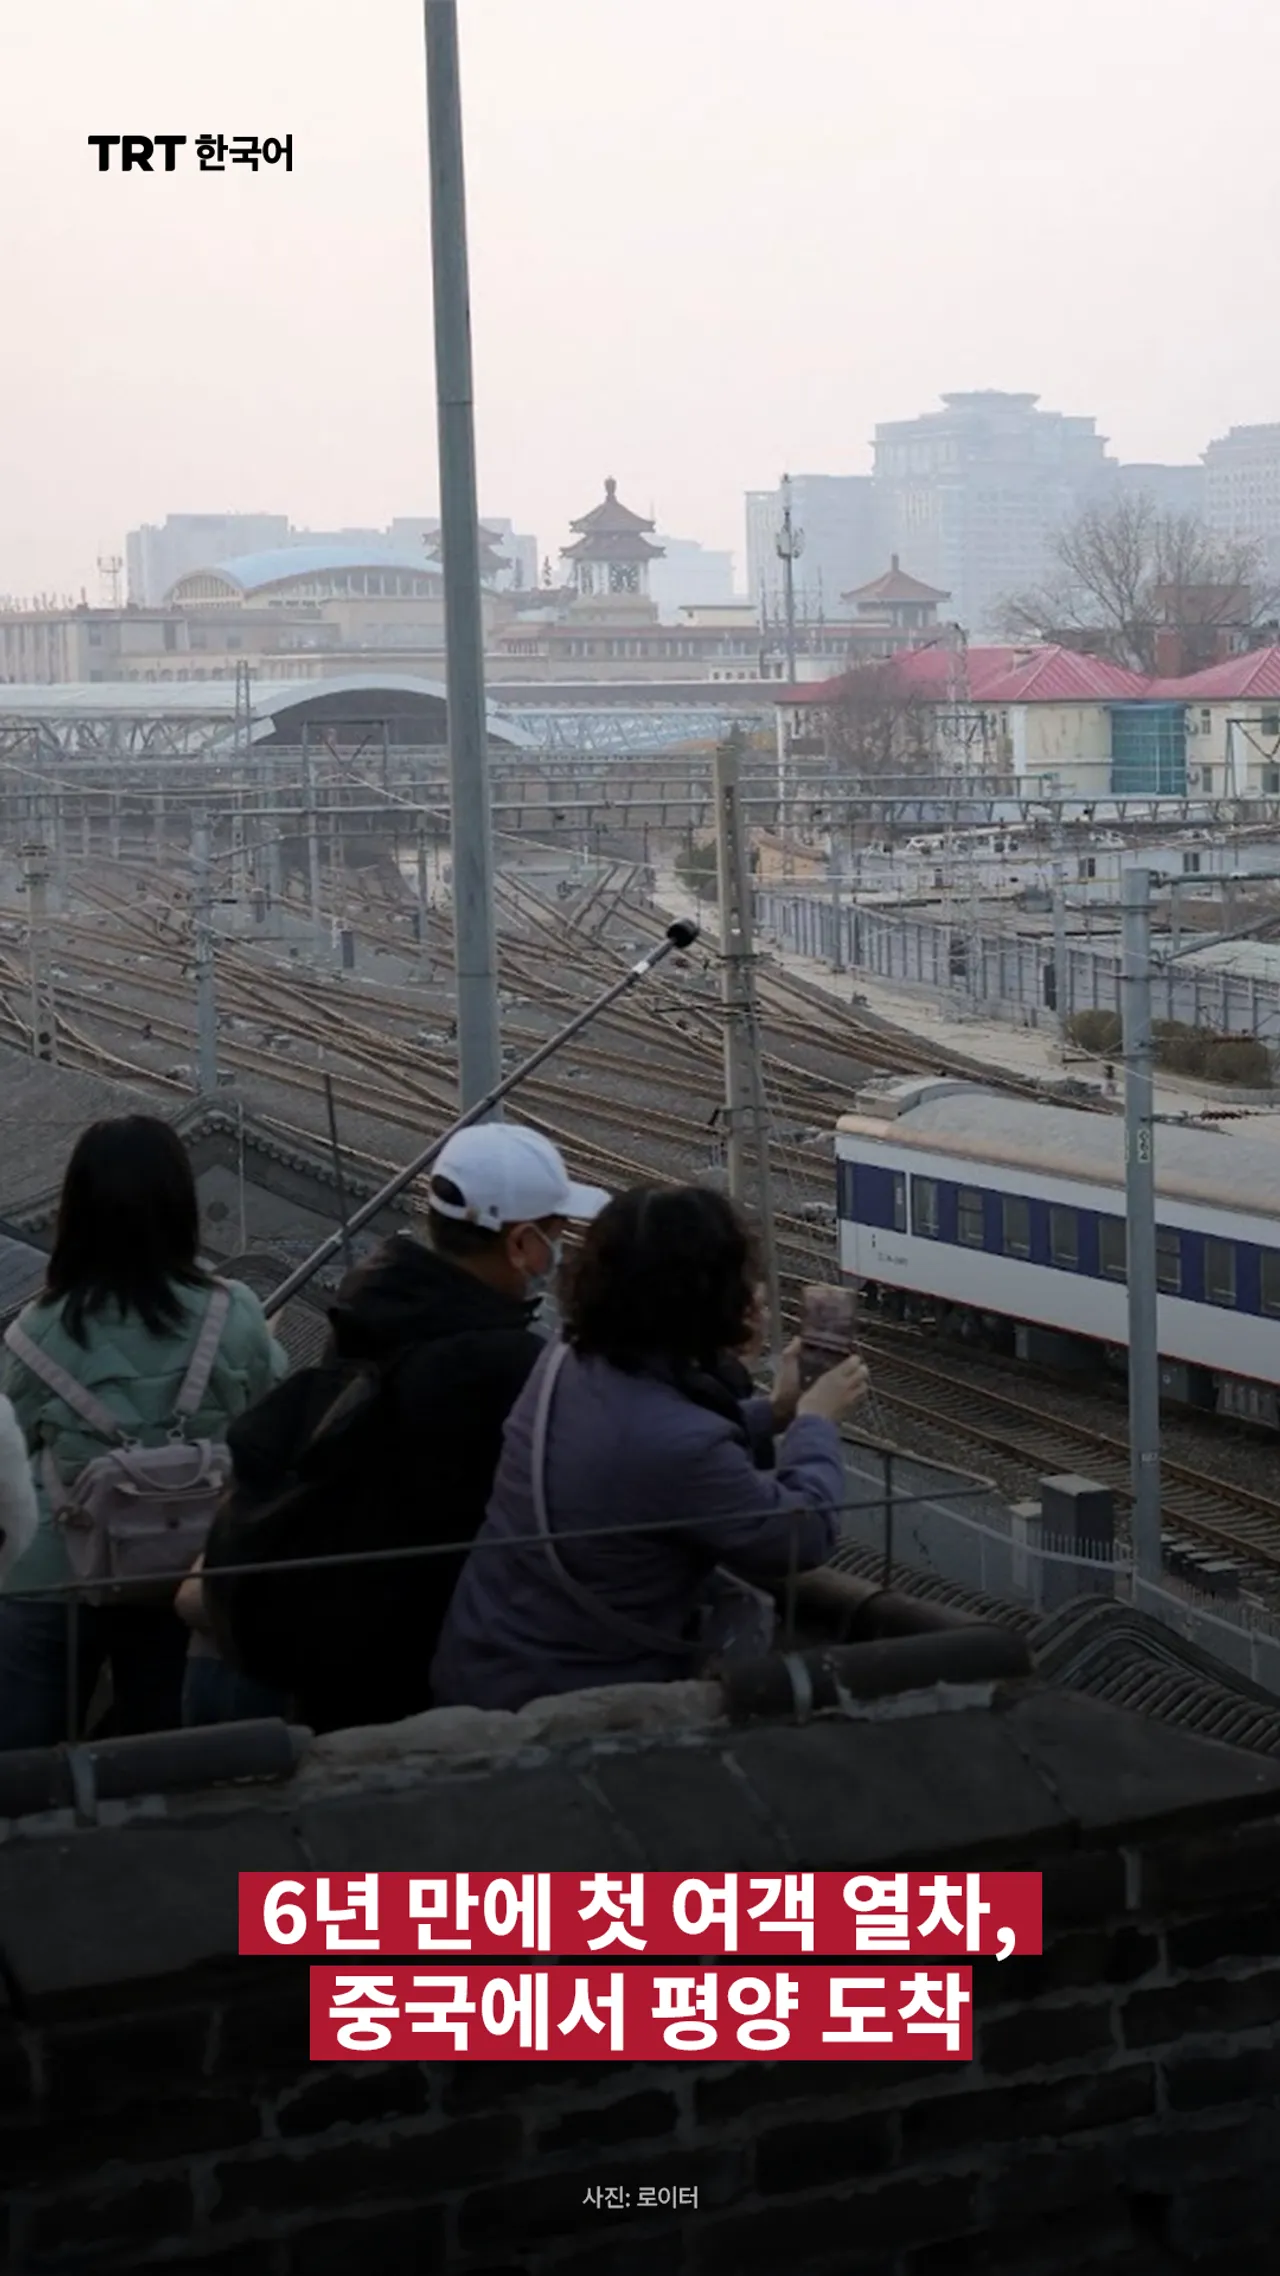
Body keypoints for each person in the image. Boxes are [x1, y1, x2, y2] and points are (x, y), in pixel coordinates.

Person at [195, 1123, 610, 1733]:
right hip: (418, 1669)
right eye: (556, 1233)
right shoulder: (501, 1363)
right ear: (522, 1243)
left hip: (335, 1640)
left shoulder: (375, 1308)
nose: (558, 1251)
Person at [430, 1184, 869, 1712]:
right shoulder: (677, 1445)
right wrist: (816, 1421)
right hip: (558, 1699)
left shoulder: (571, 1355)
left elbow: (646, 1450)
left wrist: (776, 1411)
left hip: (489, 1655)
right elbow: (800, 1534)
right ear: (706, 1298)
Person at [0, 1116, 287, 1750]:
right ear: (180, 1206)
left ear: (75, 1213)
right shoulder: (234, 1313)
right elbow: (270, 1418)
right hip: (182, 1565)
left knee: (23, 1763)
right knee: (164, 1755)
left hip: (55, 1575)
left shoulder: (35, 1333)